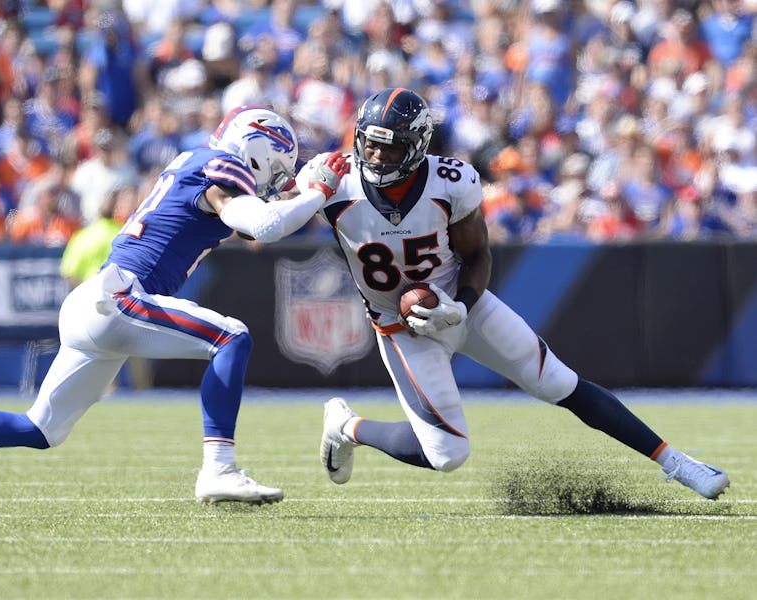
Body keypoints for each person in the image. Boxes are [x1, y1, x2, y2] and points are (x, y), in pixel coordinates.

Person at [0, 105, 350, 506]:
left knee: (40, 428)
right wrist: (317, 192)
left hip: (96, 301)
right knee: (232, 337)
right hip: (120, 296)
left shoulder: (199, 163)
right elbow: (265, 225)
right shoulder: (221, 168)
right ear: (256, 148)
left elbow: (257, 224)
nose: (276, 178)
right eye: (278, 167)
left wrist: (304, 191)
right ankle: (219, 469)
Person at [298, 88, 730, 501]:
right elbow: (275, 219)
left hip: (460, 303)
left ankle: (677, 462)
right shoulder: (334, 180)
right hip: (401, 327)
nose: (376, 156)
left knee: (560, 382)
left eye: (390, 148)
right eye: (371, 144)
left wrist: (460, 306)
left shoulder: (450, 182)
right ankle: (346, 426)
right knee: (447, 454)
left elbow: (477, 255)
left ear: (416, 147)